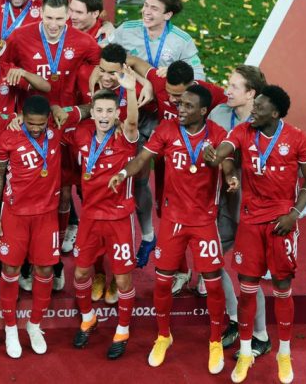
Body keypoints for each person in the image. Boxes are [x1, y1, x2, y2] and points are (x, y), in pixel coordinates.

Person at [203, 85, 306, 384]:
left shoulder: (299, 138)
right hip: (251, 221)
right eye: (254, 105)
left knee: (282, 288)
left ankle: (284, 353)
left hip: (282, 221)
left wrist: (294, 213)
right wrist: (213, 155)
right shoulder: (243, 131)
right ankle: (245, 352)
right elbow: (223, 153)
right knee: (247, 289)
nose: (253, 110)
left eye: (260, 106)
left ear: (275, 112)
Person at [110, 85, 227, 374]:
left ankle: (215, 341)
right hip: (173, 220)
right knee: (162, 283)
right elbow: (142, 158)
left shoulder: (217, 134)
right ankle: (164, 336)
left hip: (204, 221)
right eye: (179, 103)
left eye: (187, 106)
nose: (179, 109)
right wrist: (123, 172)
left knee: (213, 285)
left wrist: (227, 172)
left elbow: (228, 165)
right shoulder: (166, 129)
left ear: (203, 111)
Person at [4, 0, 101, 290]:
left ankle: (53, 260)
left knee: (62, 193)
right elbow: (4, 66)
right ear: (40, 13)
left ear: (68, 16)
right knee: (26, 192)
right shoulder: (20, 36)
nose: (54, 24)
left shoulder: (84, 42)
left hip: (63, 126)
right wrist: (16, 90)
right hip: (30, 125)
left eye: (60, 19)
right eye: (49, 18)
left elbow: (104, 66)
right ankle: (22, 260)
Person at [0, 95, 83, 358]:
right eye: (30, 123)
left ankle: (34, 325)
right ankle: (10, 328)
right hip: (14, 214)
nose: (35, 128)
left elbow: (89, 109)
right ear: (23, 117)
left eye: (40, 124)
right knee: (10, 269)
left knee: (44, 269)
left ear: (48, 120)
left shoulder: (56, 127)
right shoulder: (9, 135)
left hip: (46, 216)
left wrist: (57, 107)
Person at [125, 56, 226, 291]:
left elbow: (236, 104)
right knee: (168, 214)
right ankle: (182, 271)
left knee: (206, 220)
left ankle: (206, 272)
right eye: (169, 94)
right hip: (168, 165)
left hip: (202, 168)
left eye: (178, 97)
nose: (172, 100)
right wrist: (147, 82)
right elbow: (130, 60)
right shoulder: (160, 81)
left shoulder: (210, 93)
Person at [73, 43, 152, 302]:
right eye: (103, 70)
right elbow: (84, 109)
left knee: (137, 185)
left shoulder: (133, 88)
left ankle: (139, 246)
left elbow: (132, 122)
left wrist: (132, 89)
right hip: (94, 151)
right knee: (91, 197)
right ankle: (98, 274)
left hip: (124, 143)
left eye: (113, 72)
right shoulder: (90, 78)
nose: (107, 77)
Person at [69, 68, 139, 361]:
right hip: (90, 217)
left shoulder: (126, 136)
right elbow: (61, 119)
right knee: (81, 272)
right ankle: (88, 318)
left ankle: (122, 330)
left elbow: (132, 121)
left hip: (119, 219)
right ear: (93, 111)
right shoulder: (82, 134)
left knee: (122, 280)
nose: (104, 115)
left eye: (110, 111)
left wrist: (131, 90)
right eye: (99, 110)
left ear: (117, 113)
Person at [207, 66, 271, 356]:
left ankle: (260, 335)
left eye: (234, 87)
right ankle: (234, 317)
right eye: (228, 84)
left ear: (251, 93)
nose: (227, 91)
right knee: (210, 260)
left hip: (255, 210)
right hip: (226, 202)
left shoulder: (267, 123)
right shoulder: (219, 114)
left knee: (249, 275)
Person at [108, 0, 205, 80]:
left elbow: (198, 74)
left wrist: (175, 73)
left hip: (164, 88)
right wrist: (105, 24)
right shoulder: (126, 29)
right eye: (146, 5)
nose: (146, 12)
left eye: (154, 8)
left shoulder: (182, 41)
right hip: (130, 86)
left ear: (167, 15)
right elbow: (103, 49)